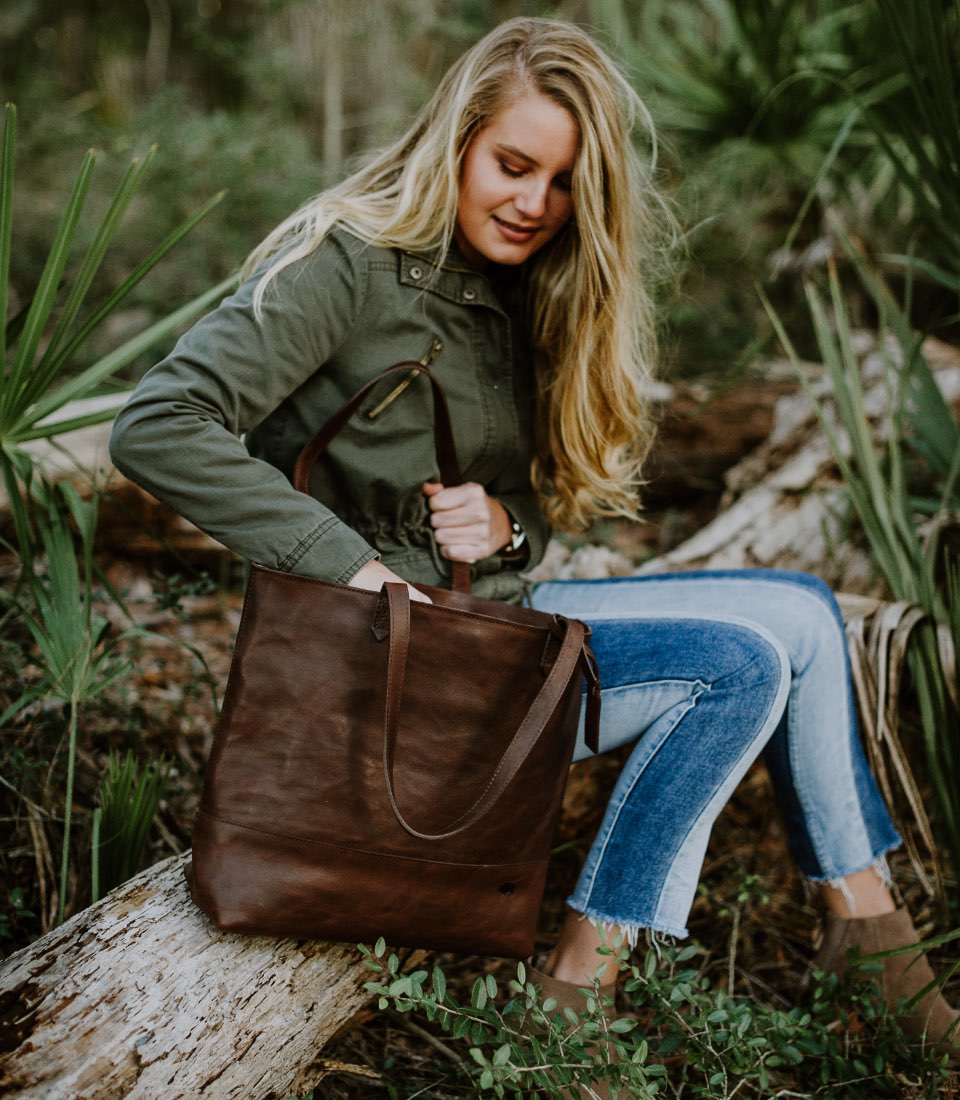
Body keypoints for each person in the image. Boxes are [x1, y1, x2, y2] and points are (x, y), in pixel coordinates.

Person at [109, 15, 957, 1085]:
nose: (533, 204)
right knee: (739, 665)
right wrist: (349, 565)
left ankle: (869, 940)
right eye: (513, 165)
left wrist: (507, 524)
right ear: (455, 138)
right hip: (403, 673)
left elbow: (524, 496)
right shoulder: (350, 265)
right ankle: (576, 989)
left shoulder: (520, 287)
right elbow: (159, 422)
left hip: (492, 624)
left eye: (562, 185)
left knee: (806, 609)